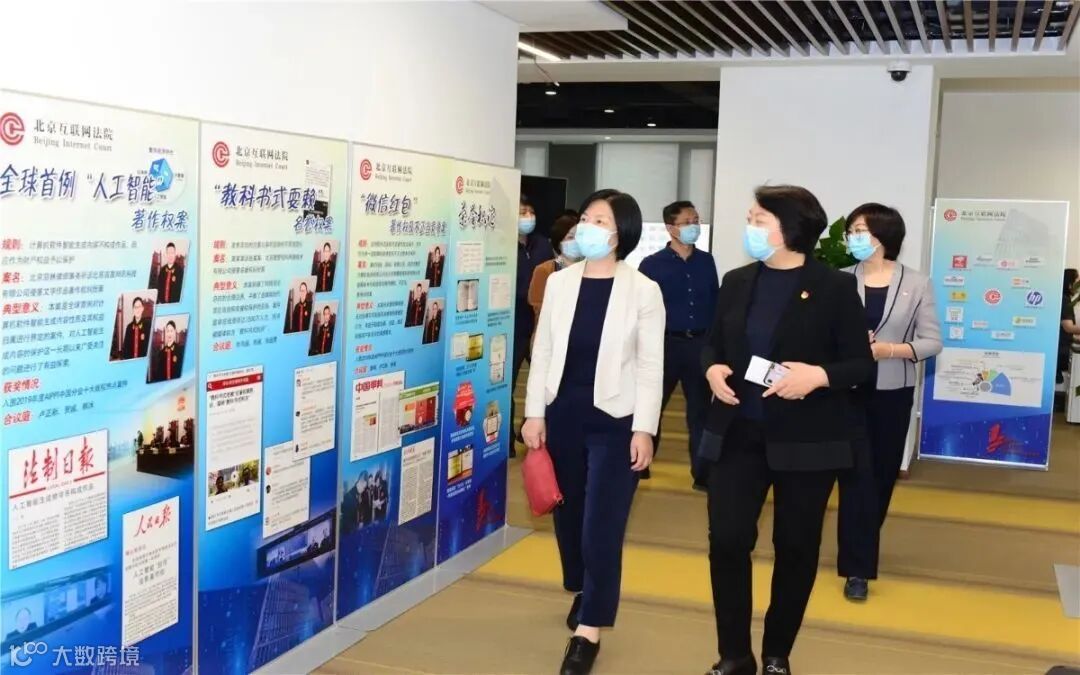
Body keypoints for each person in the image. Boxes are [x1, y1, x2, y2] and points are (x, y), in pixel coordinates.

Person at [699, 185, 873, 675]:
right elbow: (713, 344)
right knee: (727, 541)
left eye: (759, 220)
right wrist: (711, 368)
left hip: (808, 440)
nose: (750, 228)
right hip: (739, 434)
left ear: (791, 228)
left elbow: (861, 365)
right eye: (750, 219)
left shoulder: (834, 287)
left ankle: (777, 652)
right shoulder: (736, 281)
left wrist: (817, 376)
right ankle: (735, 655)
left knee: (795, 549)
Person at [523, 189, 664, 675]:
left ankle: (590, 628)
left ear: (621, 232)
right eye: (585, 217)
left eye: (599, 220)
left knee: (602, 523)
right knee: (569, 515)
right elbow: (543, 350)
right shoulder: (560, 282)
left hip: (616, 419)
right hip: (562, 413)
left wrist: (645, 429)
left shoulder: (643, 290)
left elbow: (651, 366)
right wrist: (534, 413)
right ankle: (584, 586)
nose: (586, 226)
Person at [835, 203, 942, 603]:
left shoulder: (917, 283)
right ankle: (857, 568)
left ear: (882, 235)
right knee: (854, 477)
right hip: (845, 393)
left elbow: (932, 342)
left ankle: (862, 540)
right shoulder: (840, 280)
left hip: (892, 392)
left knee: (879, 477)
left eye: (859, 230)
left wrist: (890, 350)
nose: (852, 237)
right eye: (851, 231)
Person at [639, 200, 719, 486]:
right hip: (665, 345)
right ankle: (640, 463)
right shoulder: (651, 265)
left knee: (701, 412)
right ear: (671, 228)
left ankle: (702, 473)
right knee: (652, 407)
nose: (694, 226)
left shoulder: (706, 261)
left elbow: (715, 302)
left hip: (699, 345)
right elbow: (642, 310)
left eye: (696, 220)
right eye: (687, 222)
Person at [514, 196, 555, 449]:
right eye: (522, 212)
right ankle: (505, 442)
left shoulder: (542, 244)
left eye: (530, 211)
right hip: (514, 323)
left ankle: (530, 429)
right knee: (507, 383)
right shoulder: (502, 243)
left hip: (541, 323)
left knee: (547, 381)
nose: (528, 216)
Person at [527, 214, 582, 340]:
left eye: (579, 237)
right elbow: (538, 307)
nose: (576, 241)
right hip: (550, 336)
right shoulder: (545, 270)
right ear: (559, 241)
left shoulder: (589, 269)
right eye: (570, 237)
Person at [1059, 268, 1079, 383]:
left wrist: (1076, 339)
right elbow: (1068, 327)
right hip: (1063, 350)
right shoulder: (1065, 300)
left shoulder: (1062, 298)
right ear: (1070, 284)